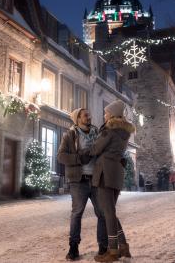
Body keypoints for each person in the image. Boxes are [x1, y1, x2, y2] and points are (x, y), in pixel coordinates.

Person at [83, 100, 135, 262]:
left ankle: (113, 251)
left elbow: (96, 148)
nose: (104, 115)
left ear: (112, 114)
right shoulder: (124, 132)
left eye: (106, 113)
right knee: (110, 211)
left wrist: (82, 153)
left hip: (105, 172)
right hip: (117, 173)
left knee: (108, 213)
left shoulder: (109, 130)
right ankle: (123, 246)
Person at [57, 108, 107, 261]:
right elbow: (61, 156)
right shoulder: (70, 135)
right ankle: (73, 247)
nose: (89, 116)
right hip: (79, 181)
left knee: (103, 213)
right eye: (85, 115)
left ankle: (103, 247)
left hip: (96, 179)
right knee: (77, 213)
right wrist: (79, 159)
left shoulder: (97, 133)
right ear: (78, 118)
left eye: (89, 114)